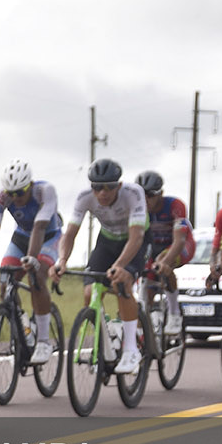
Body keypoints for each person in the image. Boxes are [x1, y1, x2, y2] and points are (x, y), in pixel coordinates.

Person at [49, 158, 148, 374]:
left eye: (109, 187)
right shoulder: (85, 198)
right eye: (97, 187)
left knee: (122, 283)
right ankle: (105, 342)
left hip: (133, 241)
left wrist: (120, 266)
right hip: (107, 241)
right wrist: (62, 261)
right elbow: (70, 234)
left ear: (118, 185)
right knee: (89, 293)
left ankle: (131, 349)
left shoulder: (133, 193)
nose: (103, 192)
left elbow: (137, 237)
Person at [0, 159, 63, 365]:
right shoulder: (3, 197)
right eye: (11, 193)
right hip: (21, 236)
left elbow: (40, 227)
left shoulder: (45, 191)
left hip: (48, 236)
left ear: (30, 184)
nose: (15, 198)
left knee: (37, 276)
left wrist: (32, 259)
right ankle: (25, 328)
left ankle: (43, 340)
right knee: (5, 284)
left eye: (20, 192)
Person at [135, 170, 194, 334]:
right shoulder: (137, 208)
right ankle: (144, 330)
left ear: (161, 194)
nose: (146, 199)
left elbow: (179, 240)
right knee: (146, 285)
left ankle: (175, 314)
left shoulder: (175, 205)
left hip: (180, 244)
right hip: (154, 246)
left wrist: (164, 261)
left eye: (150, 195)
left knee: (163, 262)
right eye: (141, 195)